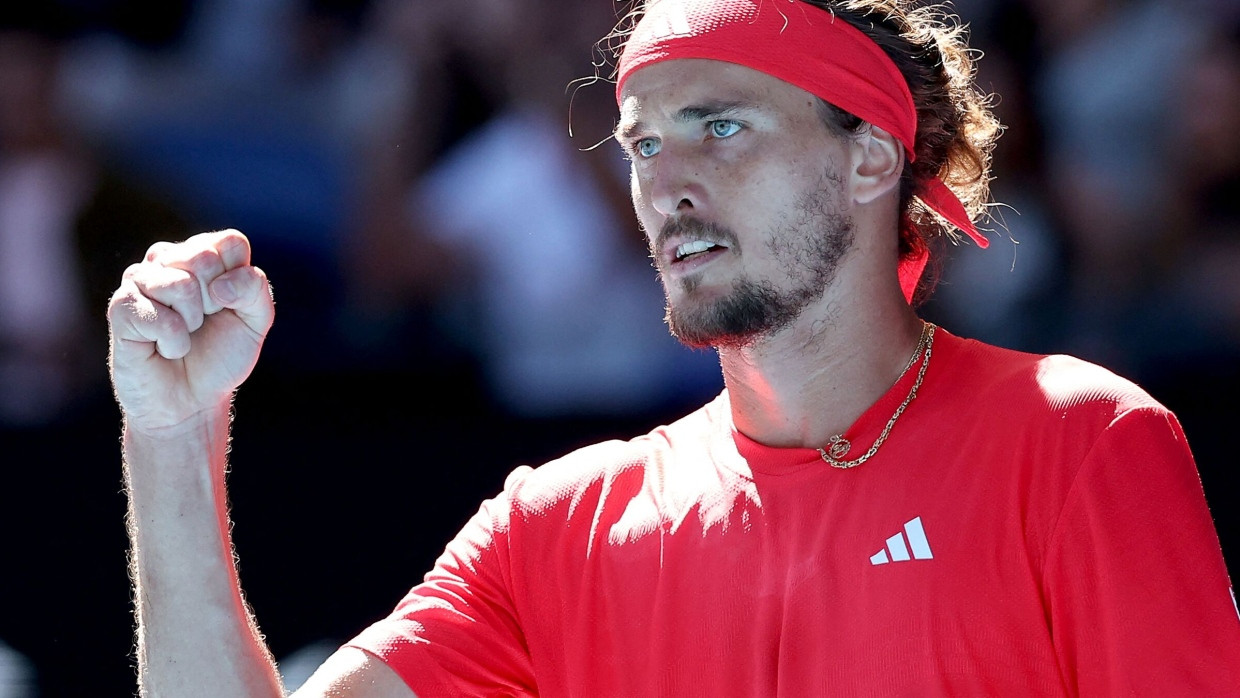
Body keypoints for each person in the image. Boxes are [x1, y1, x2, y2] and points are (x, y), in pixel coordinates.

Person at [106, 0, 1240, 695]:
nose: (666, 183)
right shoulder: (553, 526)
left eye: (722, 126)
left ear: (869, 157)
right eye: (644, 144)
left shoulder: (1081, 440)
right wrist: (171, 436)